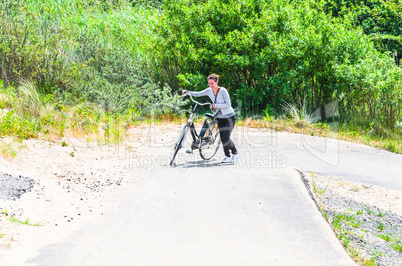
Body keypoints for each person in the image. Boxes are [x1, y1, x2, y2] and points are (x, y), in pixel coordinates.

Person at [182, 74, 238, 163]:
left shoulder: (223, 91)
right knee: (222, 138)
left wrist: (216, 105)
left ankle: (234, 153)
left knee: (226, 137)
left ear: (217, 82)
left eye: (212, 83)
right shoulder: (209, 91)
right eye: (209, 83)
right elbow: (198, 94)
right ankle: (227, 156)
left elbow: (228, 104)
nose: (211, 85)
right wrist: (188, 92)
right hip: (220, 117)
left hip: (229, 117)